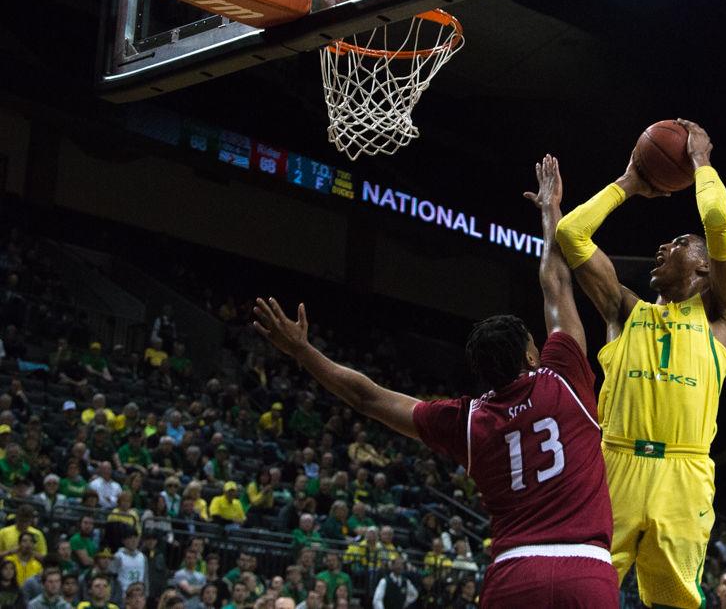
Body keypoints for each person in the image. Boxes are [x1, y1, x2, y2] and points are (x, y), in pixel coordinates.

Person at [252, 155, 617, 607]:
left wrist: (303, 351)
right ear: (530, 353)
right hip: (586, 566)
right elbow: (555, 283)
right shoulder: (562, 376)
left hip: (514, 572)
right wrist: (549, 210)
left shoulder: (466, 421)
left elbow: (367, 397)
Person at [556, 119, 726, 608]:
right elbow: (570, 233)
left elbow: (718, 222)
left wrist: (701, 162)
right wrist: (628, 185)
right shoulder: (625, 310)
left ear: (704, 267)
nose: (663, 247)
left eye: (680, 244)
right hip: (614, 461)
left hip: (683, 474)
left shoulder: (723, 317)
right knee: (581, 593)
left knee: (674, 603)